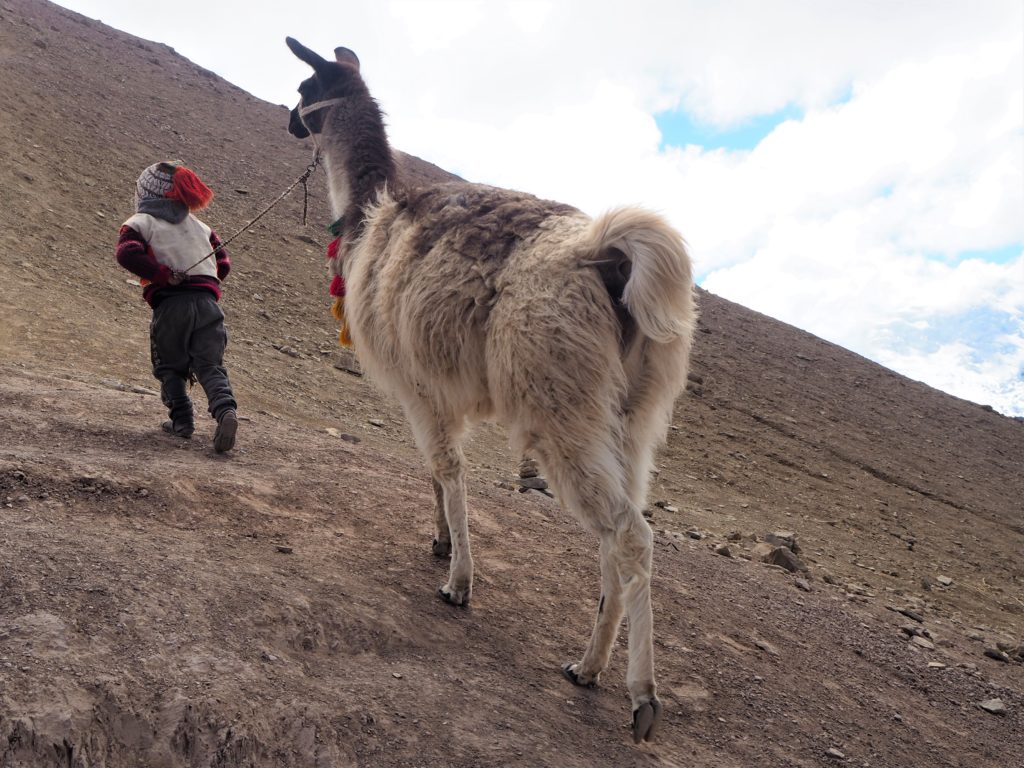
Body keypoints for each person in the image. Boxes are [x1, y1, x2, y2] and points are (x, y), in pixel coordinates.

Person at [115, 161, 239, 453]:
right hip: (208, 305)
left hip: (172, 305)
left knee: (169, 365)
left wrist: (163, 276)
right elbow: (224, 263)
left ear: (145, 193)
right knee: (209, 365)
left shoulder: (139, 222)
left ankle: (182, 422)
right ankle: (225, 412)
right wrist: (204, 282)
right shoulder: (203, 228)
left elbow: (126, 253)